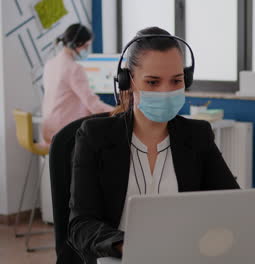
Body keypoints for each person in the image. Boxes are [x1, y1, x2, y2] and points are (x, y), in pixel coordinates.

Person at [67, 27, 239, 263]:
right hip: (118, 258)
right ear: (129, 81)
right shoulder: (95, 136)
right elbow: (81, 225)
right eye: (153, 82)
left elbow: (232, 205)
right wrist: (126, 245)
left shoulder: (198, 136)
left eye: (176, 80)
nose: (166, 91)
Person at [41, 23, 113, 145]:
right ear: (77, 45)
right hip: (64, 132)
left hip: (48, 129)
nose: (87, 51)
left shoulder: (50, 64)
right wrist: (118, 111)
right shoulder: (74, 69)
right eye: (86, 46)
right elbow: (93, 104)